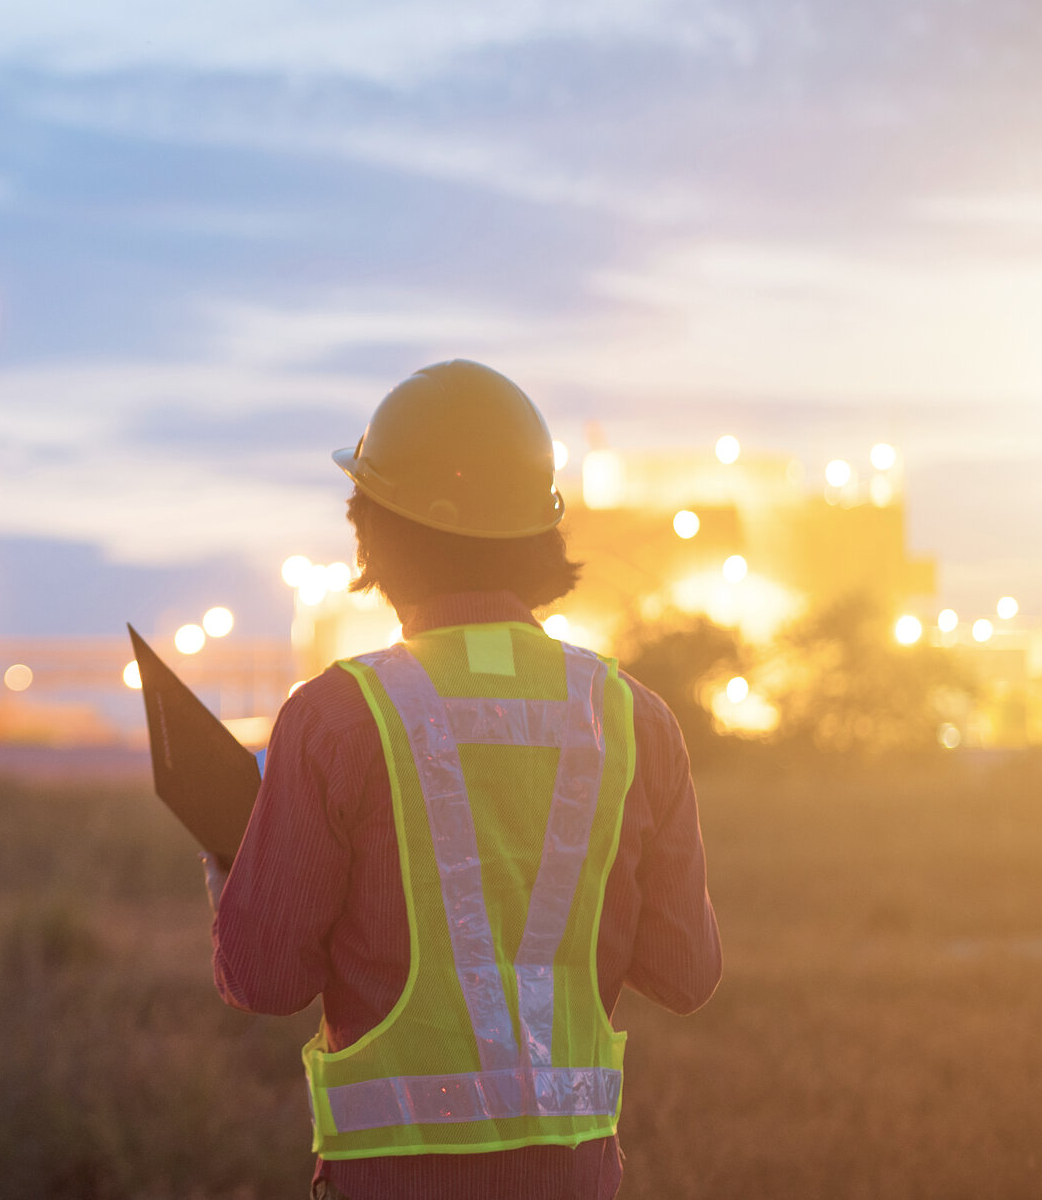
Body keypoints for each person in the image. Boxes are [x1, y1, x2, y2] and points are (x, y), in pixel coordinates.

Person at [209, 360, 720, 1200]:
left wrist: (232, 868)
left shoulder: (337, 718)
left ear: (372, 532)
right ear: (541, 531)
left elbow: (265, 978)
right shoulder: (636, 721)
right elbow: (686, 972)